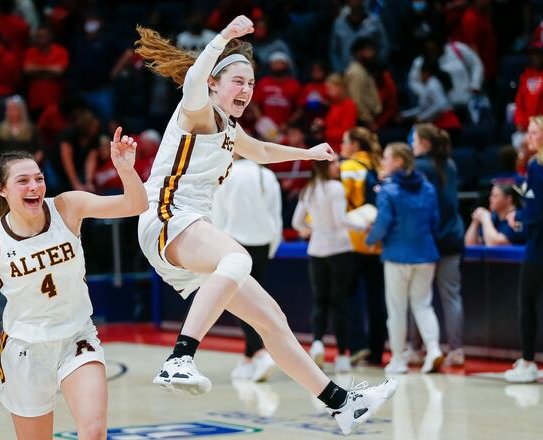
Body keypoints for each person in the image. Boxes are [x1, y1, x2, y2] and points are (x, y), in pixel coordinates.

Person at [134, 15, 396, 435]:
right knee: (238, 258)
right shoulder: (196, 111)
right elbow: (195, 79)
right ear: (215, 84)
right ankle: (179, 358)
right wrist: (225, 37)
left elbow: (259, 150)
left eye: (251, 84)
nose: (246, 90)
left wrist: (308, 154)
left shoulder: (227, 128)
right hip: (167, 216)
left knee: (272, 319)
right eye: (237, 80)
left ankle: (340, 403)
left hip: (188, 226)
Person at [0, 128, 146, 439]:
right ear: (3, 190)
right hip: (26, 348)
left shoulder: (67, 206)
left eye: (38, 178)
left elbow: (135, 204)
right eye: (23, 181)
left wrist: (125, 169)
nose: (34, 186)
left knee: (93, 431)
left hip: (77, 337)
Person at [366, 143, 443, 375]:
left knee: (397, 310)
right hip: (426, 254)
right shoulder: (428, 188)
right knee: (423, 305)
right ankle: (433, 349)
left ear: (398, 161)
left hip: (397, 256)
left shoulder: (388, 190)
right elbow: (435, 221)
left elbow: (383, 223)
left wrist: (370, 238)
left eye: (387, 158)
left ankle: (398, 359)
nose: (383, 162)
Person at [211, 154, 282, 382]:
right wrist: (273, 245)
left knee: (239, 303)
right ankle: (248, 358)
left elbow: (218, 213)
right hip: (262, 244)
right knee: (251, 300)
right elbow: (275, 214)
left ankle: (260, 351)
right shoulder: (267, 174)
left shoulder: (226, 174)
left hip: (234, 243)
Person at [292, 156, 363, 373]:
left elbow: (296, 222)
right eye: (333, 163)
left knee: (319, 301)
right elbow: (340, 220)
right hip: (339, 250)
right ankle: (342, 355)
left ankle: (317, 343)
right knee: (339, 302)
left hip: (316, 251)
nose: (337, 166)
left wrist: (313, 230)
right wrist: (362, 225)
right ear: (324, 166)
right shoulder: (335, 187)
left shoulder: (309, 189)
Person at [409, 124, 465, 367]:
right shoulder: (450, 164)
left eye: (414, 140)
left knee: (418, 298)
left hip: (427, 241)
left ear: (424, 143)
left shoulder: (418, 167)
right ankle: (457, 349)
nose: (411, 144)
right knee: (451, 295)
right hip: (452, 237)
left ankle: (414, 347)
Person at [505, 115, 543, 383]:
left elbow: (538, 209)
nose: (529, 137)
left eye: (535, 132)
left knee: (527, 301)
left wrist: (519, 219)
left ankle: (528, 361)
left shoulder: (539, 165)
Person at [339, 127, 387, 366]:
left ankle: (357, 346)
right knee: (377, 298)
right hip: (379, 242)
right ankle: (378, 352)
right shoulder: (380, 167)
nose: (341, 146)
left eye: (344, 141)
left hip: (353, 241)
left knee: (347, 295)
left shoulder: (348, 168)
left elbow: (338, 204)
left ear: (355, 144)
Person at [0, 96, 43, 161]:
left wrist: (33, 163)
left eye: (14, 108)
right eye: (9, 109)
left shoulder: (31, 129)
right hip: (5, 166)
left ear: (21, 110)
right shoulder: (0, 129)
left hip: (26, 166)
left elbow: (39, 151)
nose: (11, 111)